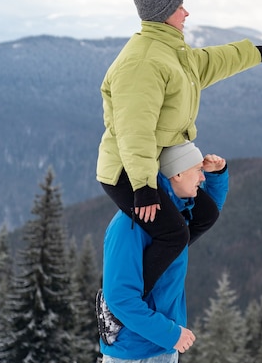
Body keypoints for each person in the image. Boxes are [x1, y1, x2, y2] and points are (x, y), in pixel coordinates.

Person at [96, 0, 262, 296]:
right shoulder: (143, 63)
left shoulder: (170, 53)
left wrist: (261, 52)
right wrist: (144, 188)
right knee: (172, 234)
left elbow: (214, 62)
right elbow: (135, 131)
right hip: (127, 172)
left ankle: (153, 277)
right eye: (179, 7)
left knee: (204, 213)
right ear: (163, 14)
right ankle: (120, 301)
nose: (186, 13)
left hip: (147, 162)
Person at [97, 141, 228, 362]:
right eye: (198, 170)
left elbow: (209, 211)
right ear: (177, 174)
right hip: (134, 353)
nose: (202, 177)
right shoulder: (128, 226)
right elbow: (120, 297)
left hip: (163, 347)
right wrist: (171, 334)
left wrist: (218, 175)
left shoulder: (176, 215)